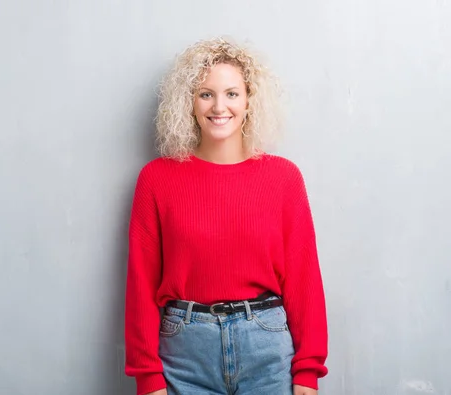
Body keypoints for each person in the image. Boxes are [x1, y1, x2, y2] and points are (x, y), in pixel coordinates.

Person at [124, 37, 328, 395]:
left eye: (232, 93)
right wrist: (147, 377)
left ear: (250, 101)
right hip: (184, 356)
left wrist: (307, 373)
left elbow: (304, 277)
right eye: (206, 94)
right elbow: (141, 283)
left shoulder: (283, 178)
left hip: (267, 350)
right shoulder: (156, 179)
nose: (219, 106)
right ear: (188, 102)